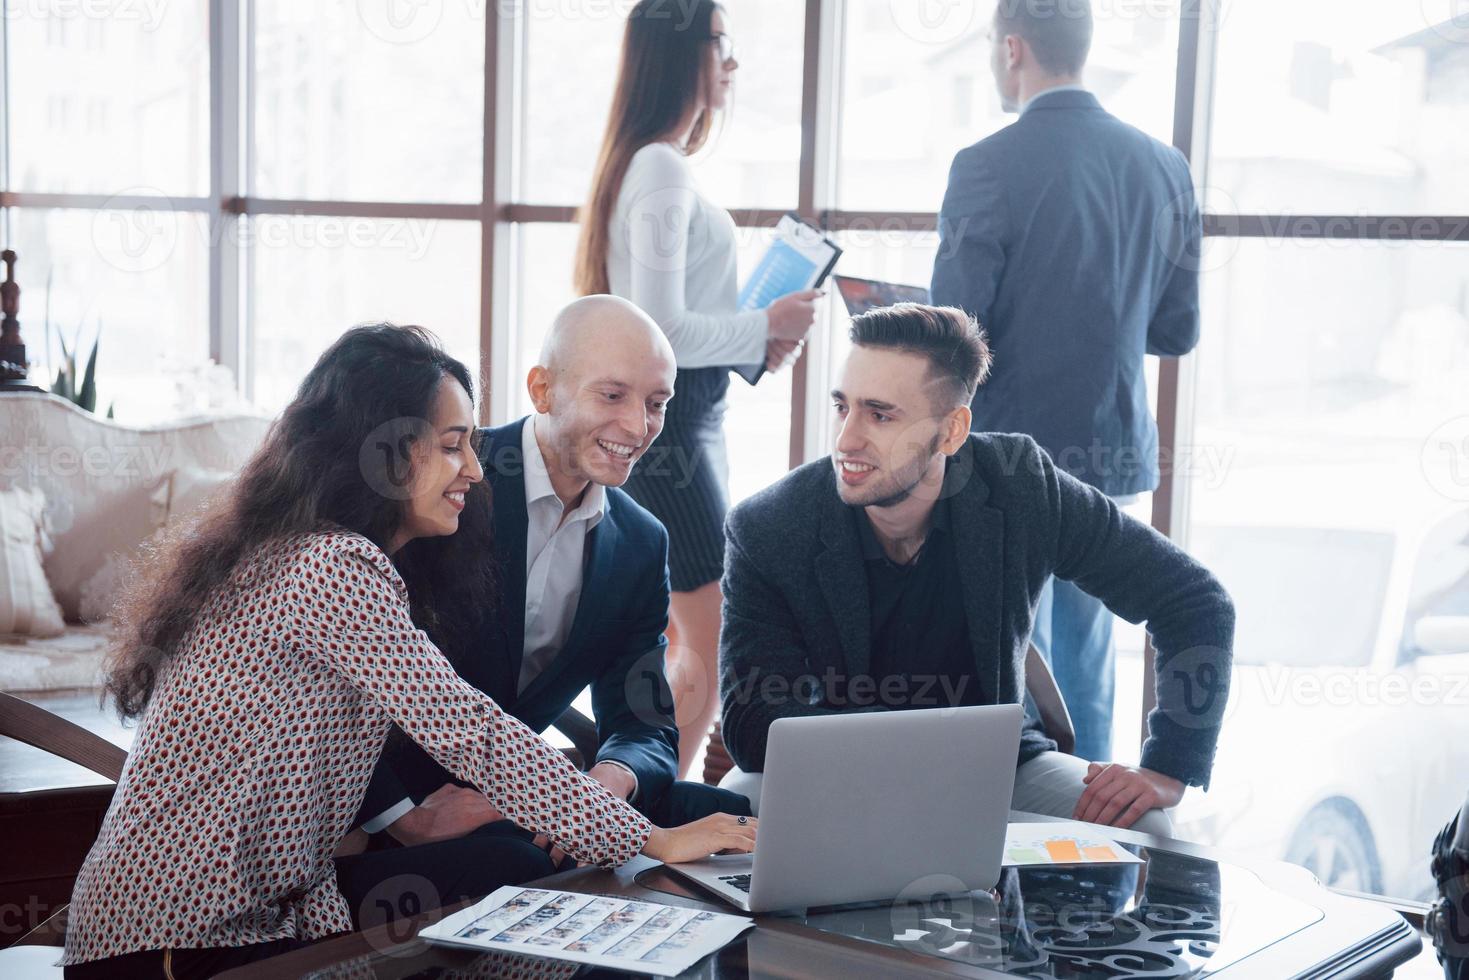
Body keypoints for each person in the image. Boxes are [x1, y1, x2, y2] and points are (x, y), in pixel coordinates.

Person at [61, 324, 755, 979]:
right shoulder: (330, 568)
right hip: (180, 939)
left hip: (278, 908)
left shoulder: (322, 552)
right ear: (387, 452)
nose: (476, 472)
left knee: (505, 873)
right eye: (453, 446)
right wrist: (650, 839)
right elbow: (470, 729)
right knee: (506, 878)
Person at [719, 304, 1233, 836]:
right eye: (842, 407)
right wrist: (906, 754)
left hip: (997, 773)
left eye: (881, 414)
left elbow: (1194, 601)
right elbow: (753, 723)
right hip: (837, 774)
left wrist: (1169, 766)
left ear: (952, 431)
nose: (847, 439)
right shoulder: (770, 526)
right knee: (733, 811)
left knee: (1147, 825)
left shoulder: (1019, 486)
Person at [347, 297, 752, 890]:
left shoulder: (641, 540)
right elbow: (346, 672)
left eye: (656, 404)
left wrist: (607, 780)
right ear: (542, 390)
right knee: (533, 862)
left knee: (731, 817)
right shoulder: (449, 479)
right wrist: (400, 814)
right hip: (394, 800)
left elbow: (646, 722)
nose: (639, 428)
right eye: (612, 396)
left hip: (528, 792)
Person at [930, 0, 1203, 762]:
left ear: (1011, 48)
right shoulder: (1163, 165)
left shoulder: (983, 165)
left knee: (1007, 672)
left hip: (1005, 458)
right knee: (1084, 676)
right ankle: (1087, 857)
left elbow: (955, 329)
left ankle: (1010, 844)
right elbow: (1176, 330)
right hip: (1107, 454)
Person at [574, 0, 818, 776]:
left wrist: (753, 339)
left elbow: (679, 324)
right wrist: (761, 325)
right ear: (683, 53)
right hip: (672, 435)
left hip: (689, 421)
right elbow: (663, 329)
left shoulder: (654, 163)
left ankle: (636, 808)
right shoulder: (659, 167)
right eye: (722, 44)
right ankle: (650, 818)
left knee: (684, 641)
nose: (732, 63)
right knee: (706, 645)